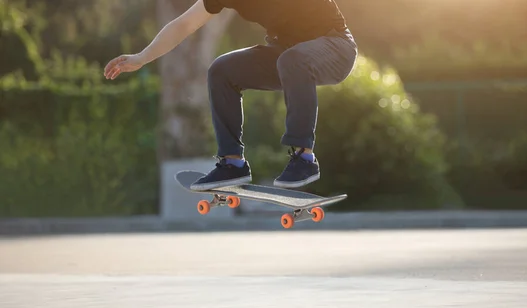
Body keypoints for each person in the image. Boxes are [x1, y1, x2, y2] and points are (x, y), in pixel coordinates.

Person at [103, 0, 358, 190]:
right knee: (222, 70)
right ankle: (232, 163)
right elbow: (184, 23)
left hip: (335, 47)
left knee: (293, 59)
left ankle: (304, 157)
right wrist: (142, 57)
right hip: (286, 55)